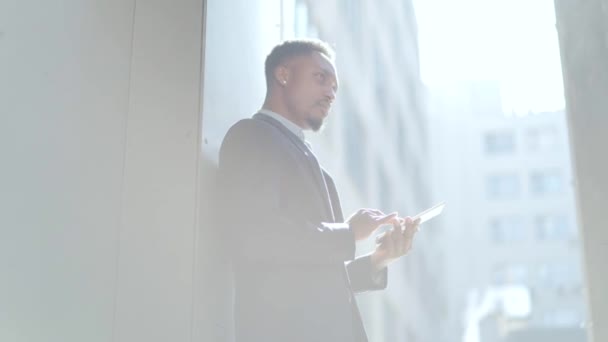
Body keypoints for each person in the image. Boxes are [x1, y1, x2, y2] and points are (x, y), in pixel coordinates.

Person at [218, 39, 420, 342]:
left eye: (335, 87)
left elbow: (322, 280)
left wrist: (379, 258)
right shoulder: (251, 137)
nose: (330, 93)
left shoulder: (322, 175)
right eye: (320, 78)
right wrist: (348, 234)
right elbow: (258, 237)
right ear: (283, 75)